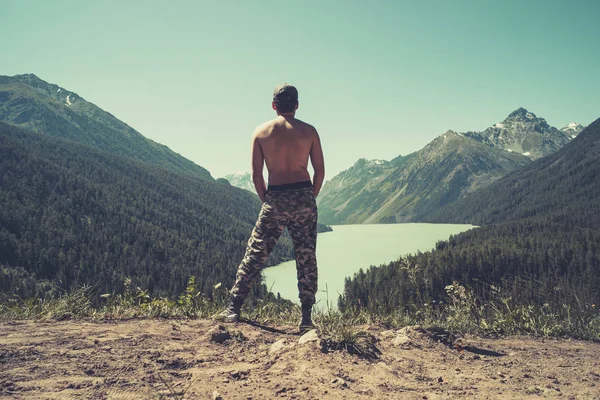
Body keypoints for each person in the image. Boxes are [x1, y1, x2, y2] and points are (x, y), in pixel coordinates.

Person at [218, 84, 325, 333]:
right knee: (306, 256)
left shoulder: (261, 132)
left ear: (274, 105)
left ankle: (234, 308)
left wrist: (267, 199)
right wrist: (310, 196)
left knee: (256, 252)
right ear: (296, 105)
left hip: (275, 196)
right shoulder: (309, 132)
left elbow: (257, 174)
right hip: (303, 195)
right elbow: (319, 170)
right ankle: (306, 317)